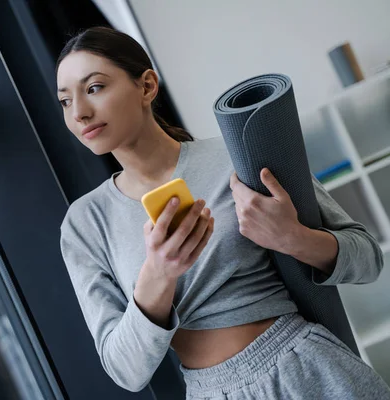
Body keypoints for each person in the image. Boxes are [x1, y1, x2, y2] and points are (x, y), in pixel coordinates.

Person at [57, 26, 390, 399]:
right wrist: (157, 274)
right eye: (65, 101)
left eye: (94, 88)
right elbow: (126, 372)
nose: (80, 113)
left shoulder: (237, 156)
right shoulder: (85, 224)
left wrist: (294, 238)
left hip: (307, 368)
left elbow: (368, 259)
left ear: (147, 86)